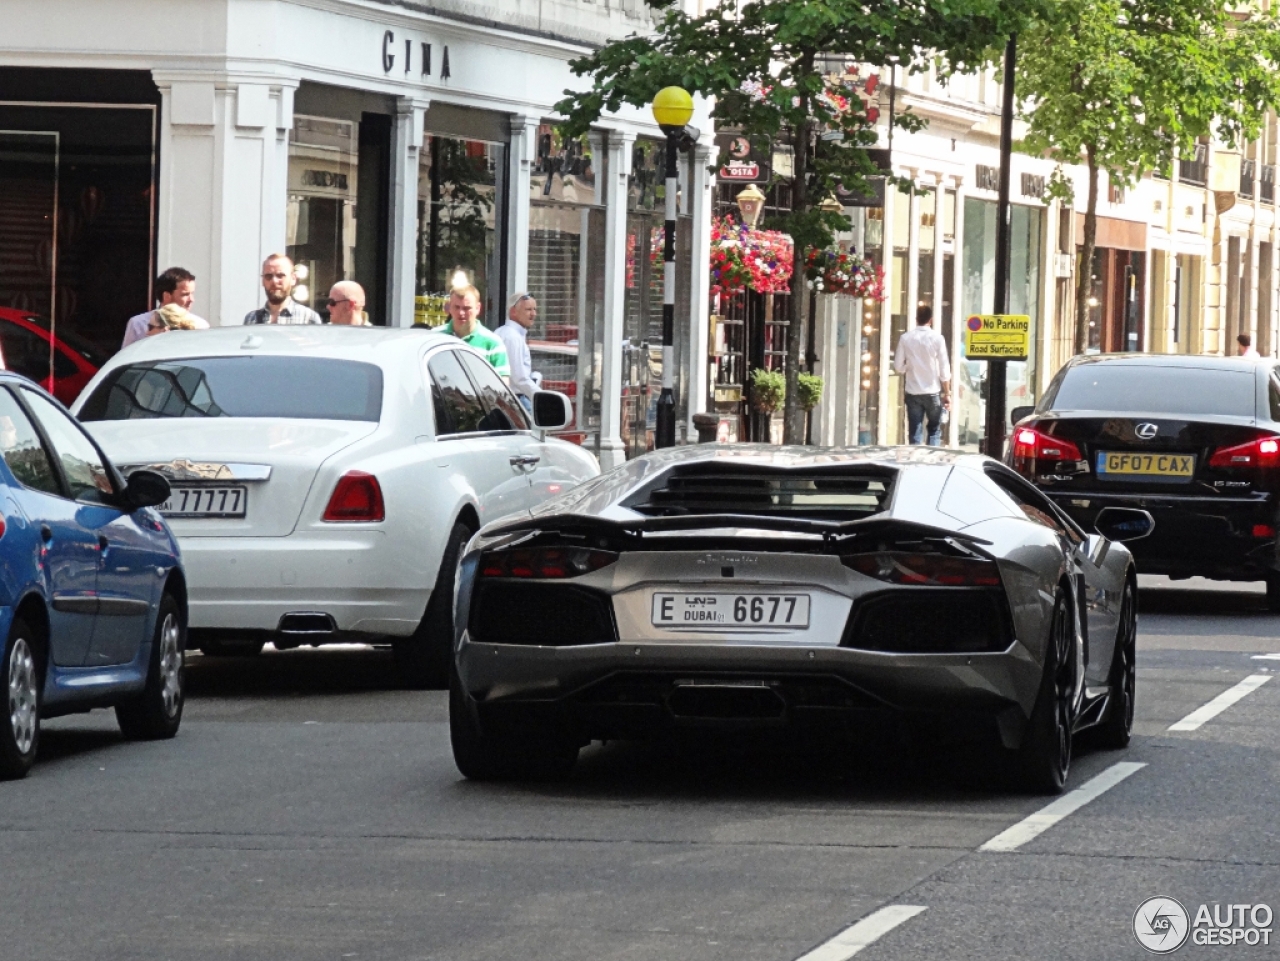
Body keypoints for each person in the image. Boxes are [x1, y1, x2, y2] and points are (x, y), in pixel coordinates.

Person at [893, 304, 952, 446]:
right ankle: (931, 463)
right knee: (934, 430)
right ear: (930, 320)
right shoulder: (938, 338)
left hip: (913, 392)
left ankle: (915, 462)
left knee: (915, 431)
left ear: (916, 319)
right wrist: (947, 393)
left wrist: (910, 366)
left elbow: (898, 367)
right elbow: (944, 369)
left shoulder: (905, 338)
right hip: (932, 391)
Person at [122, 267, 209, 347]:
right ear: (166, 296)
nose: (191, 299)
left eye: (192, 293)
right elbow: (125, 359)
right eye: (185, 295)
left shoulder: (200, 326)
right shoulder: (138, 324)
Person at [439, 285, 509, 377]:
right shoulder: (434, 336)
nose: (461, 313)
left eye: (466, 308)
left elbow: (502, 386)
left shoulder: (493, 343)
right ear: (449, 307)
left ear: (478, 308)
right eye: (456, 307)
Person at [244, 254, 322, 325]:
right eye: (268, 276)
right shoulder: (251, 319)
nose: (274, 281)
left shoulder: (308, 318)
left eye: (280, 275)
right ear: (262, 281)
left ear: (293, 279)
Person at [495, 292, 542, 411]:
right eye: (528, 309)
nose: (533, 314)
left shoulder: (502, 332)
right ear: (513, 311)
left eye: (534, 309)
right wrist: (541, 396)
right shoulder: (512, 338)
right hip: (516, 401)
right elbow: (518, 378)